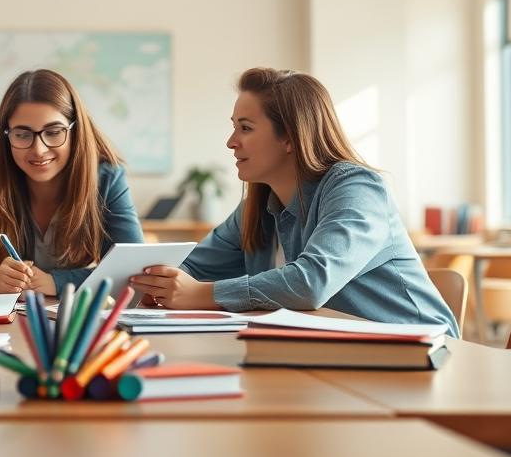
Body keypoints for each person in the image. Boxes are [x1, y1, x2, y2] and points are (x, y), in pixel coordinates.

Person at [128, 68, 459, 337]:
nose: (231, 142)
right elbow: (192, 267)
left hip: (424, 354)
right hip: (334, 356)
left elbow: (311, 283)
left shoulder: (357, 188)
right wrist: (160, 284)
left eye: (245, 128)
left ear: (289, 136)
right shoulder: (257, 206)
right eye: (234, 128)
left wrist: (202, 294)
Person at [0, 69, 144, 294]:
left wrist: (56, 282)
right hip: (4, 312)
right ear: (6, 136)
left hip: (73, 312)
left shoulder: (107, 176)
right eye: (22, 135)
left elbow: (132, 270)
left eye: (53, 132)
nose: (39, 150)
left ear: (75, 131)